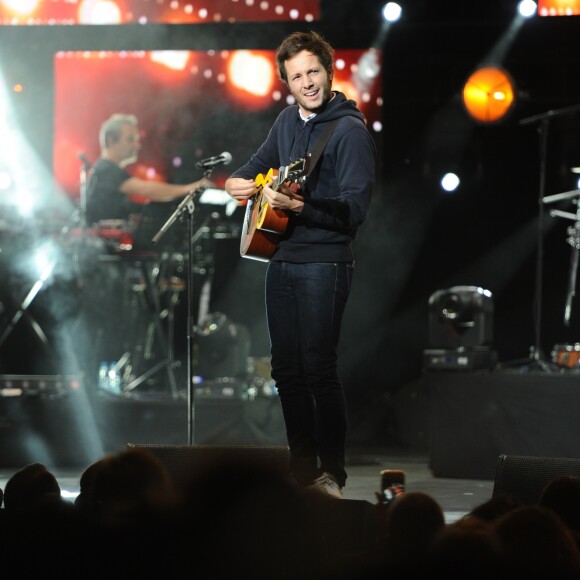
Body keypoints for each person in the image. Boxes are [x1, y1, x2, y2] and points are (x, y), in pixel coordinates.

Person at [225, 31, 376, 497]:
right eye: (296, 76)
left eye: (313, 72)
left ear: (329, 72)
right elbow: (258, 163)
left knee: (318, 369)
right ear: (286, 83)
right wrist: (240, 182)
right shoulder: (288, 120)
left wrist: (300, 209)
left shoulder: (349, 131)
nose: (306, 82)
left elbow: (354, 210)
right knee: (285, 370)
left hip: (324, 264)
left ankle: (332, 473)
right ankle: (301, 469)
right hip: (281, 259)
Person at [85, 113, 211, 226]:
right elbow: (145, 189)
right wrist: (190, 188)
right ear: (111, 140)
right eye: (130, 139)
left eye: (137, 140)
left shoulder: (106, 169)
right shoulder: (106, 170)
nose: (137, 145)